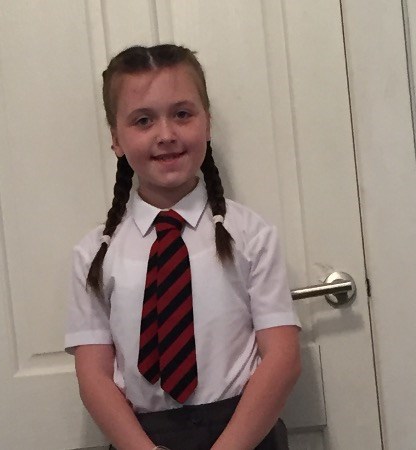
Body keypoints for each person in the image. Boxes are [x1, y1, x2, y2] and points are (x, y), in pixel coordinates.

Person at [65, 44, 301, 450]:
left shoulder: (252, 235)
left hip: (243, 434)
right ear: (116, 139)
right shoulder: (94, 255)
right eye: (143, 120)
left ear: (207, 123)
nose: (166, 135)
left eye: (182, 114)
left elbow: (282, 359)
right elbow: (94, 377)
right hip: (142, 439)